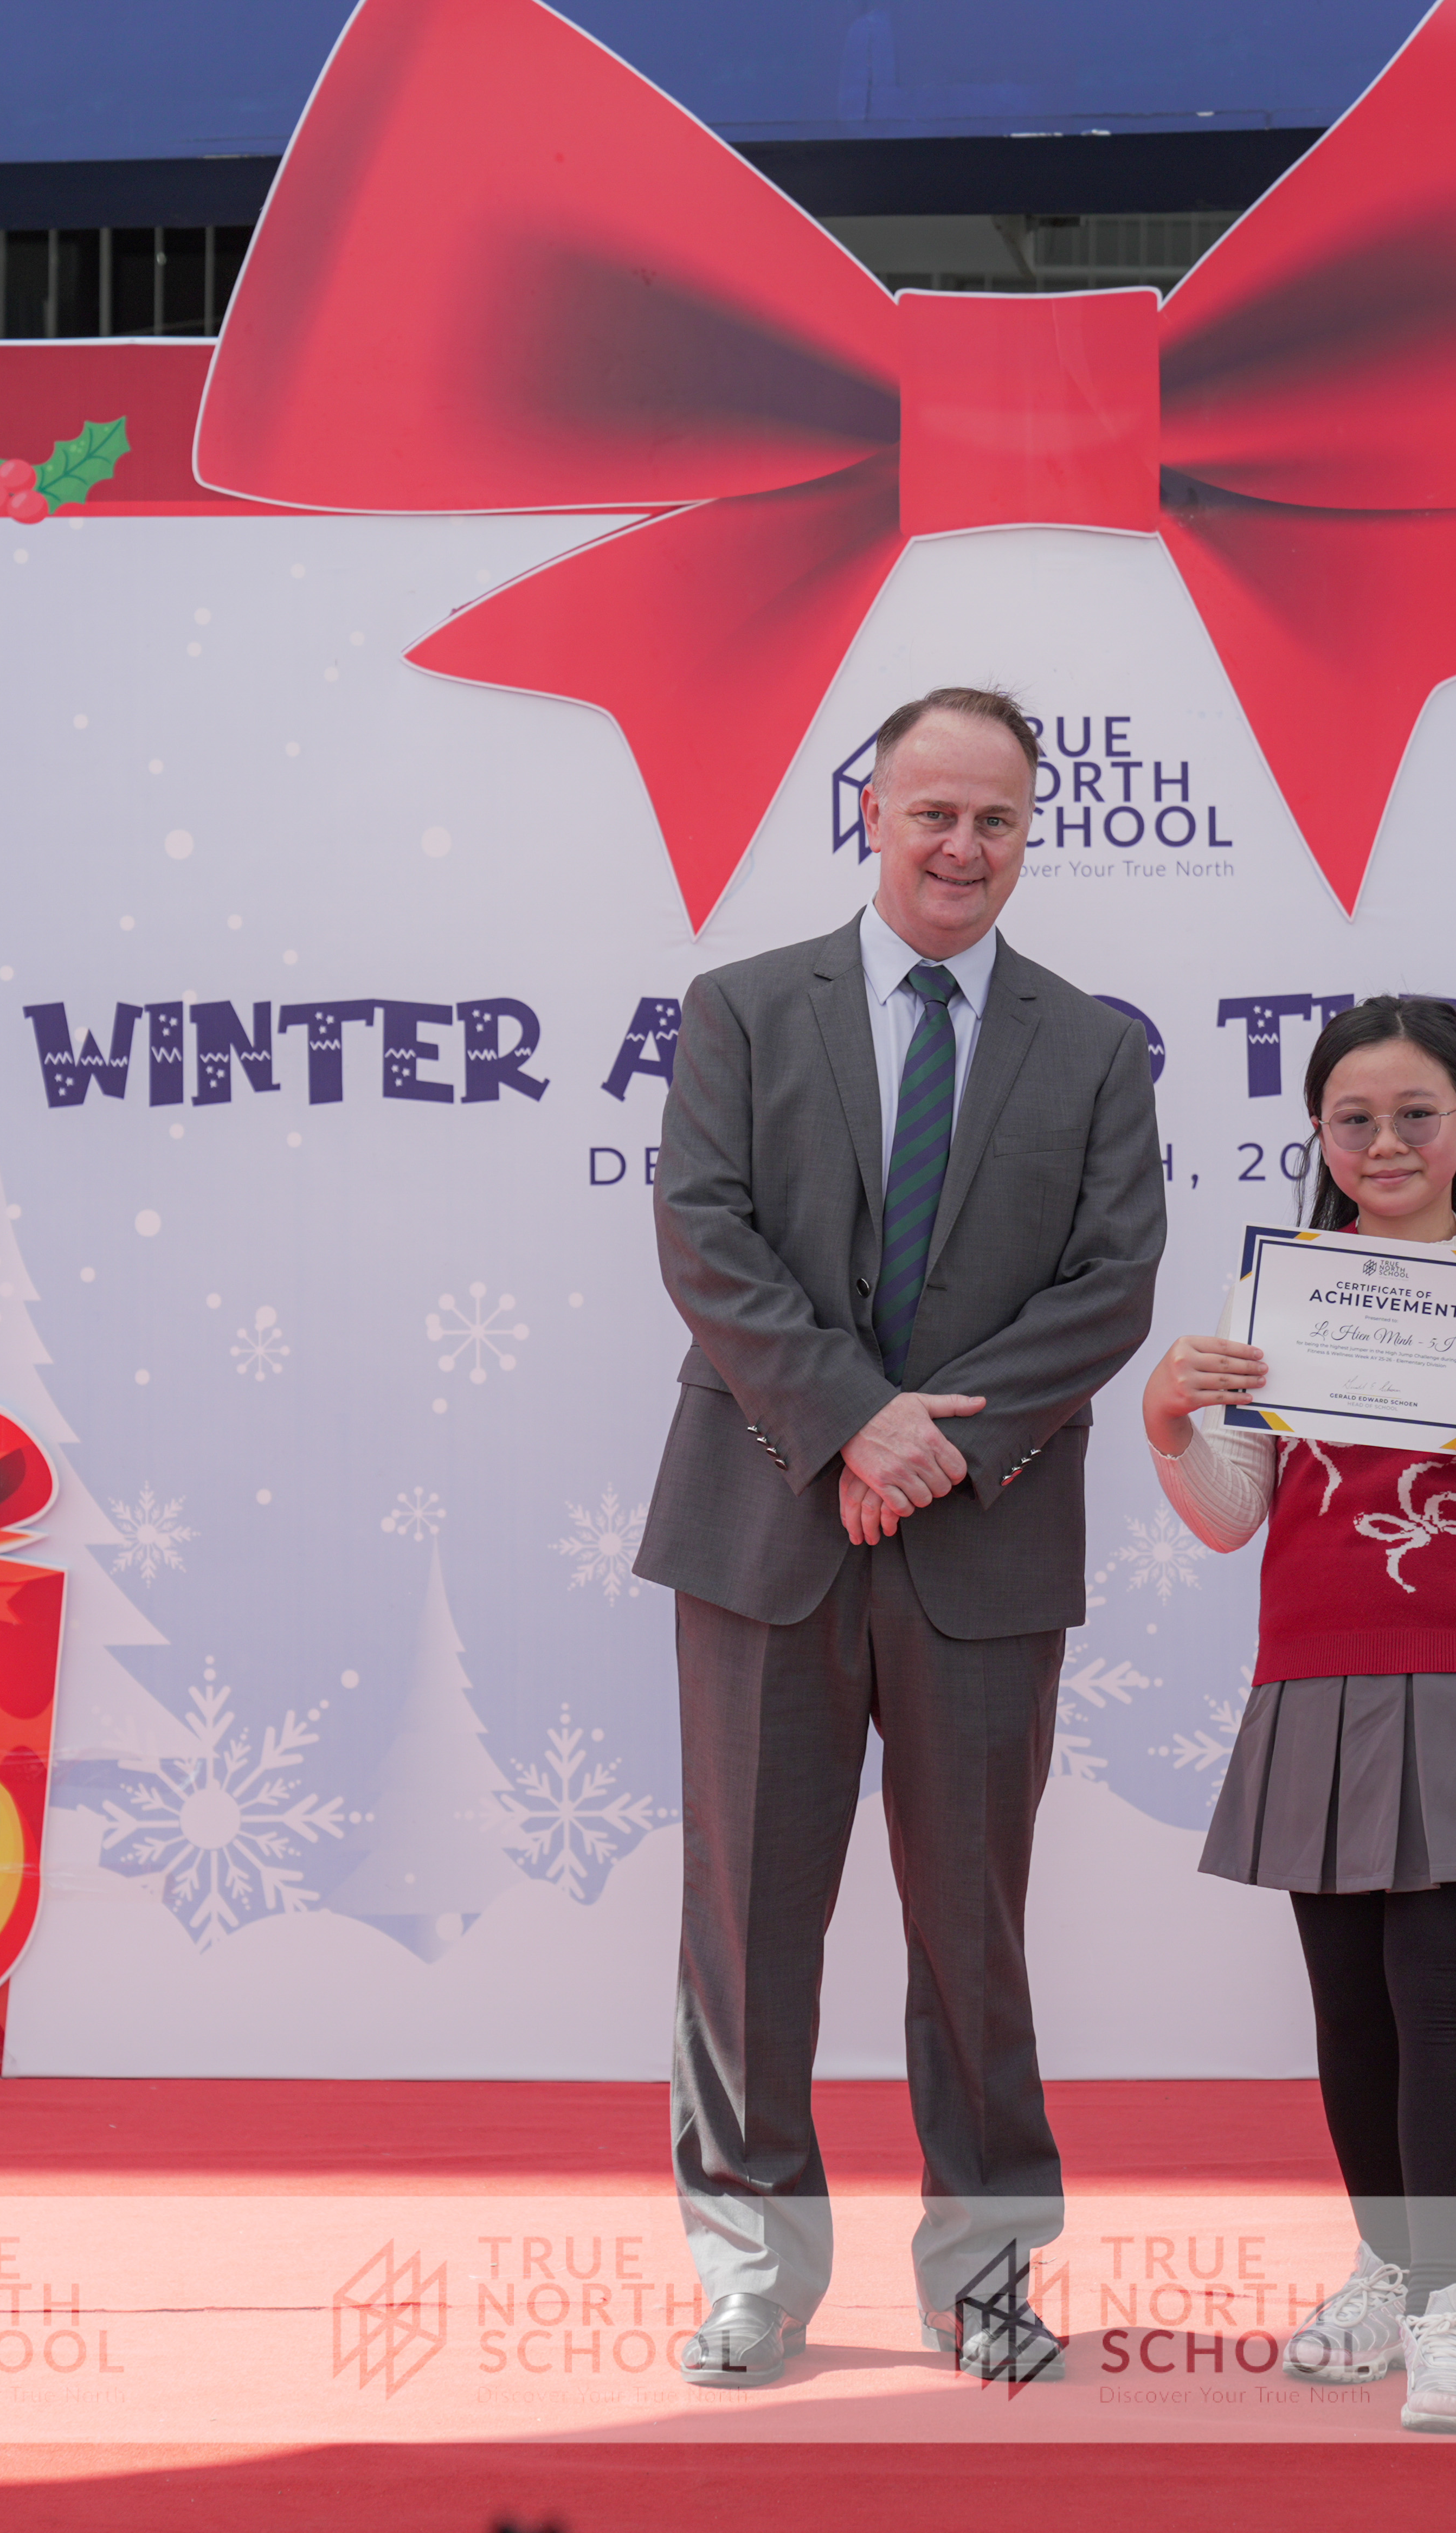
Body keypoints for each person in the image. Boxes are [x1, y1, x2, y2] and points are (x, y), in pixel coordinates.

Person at [637, 685, 1167, 2389]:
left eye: (997, 820)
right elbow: (706, 1236)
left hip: (983, 1549)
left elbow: (1110, 1287)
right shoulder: (740, 1010)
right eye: (935, 812)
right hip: (764, 1528)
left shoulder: (1096, 1049)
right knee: (746, 1929)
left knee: (975, 1937)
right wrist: (851, 1420)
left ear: (1031, 834)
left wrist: (933, 1450)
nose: (963, 846)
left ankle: (985, 2278)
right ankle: (753, 2271)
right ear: (871, 810)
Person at [1138, 996, 1456, 2435]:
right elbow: (1232, 1515)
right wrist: (1166, 1419)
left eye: (1417, 1115)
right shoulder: (1276, 1302)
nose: (1386, 1142)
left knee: (1445, 1991)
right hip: (1317, 1676)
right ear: (1320, 1136)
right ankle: (1392, 2272)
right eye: (1355, 1119)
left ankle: (1451, 2309)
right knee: (1349, 2004)